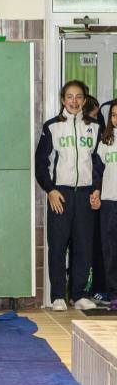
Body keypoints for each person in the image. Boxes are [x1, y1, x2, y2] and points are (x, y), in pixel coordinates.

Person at [35, 80, 100, 312]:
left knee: (84, 245)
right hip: (60, 194)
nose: (74, 101)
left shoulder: (94, 127)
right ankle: (57, 296)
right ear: (63, 100)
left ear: (84, 100)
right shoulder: (52, 126)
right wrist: (50, 189)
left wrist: (97, 189)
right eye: (70, 97)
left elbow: (97, 163)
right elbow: (40, 163)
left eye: (79, 97)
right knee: (58, 245)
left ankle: (79, 294)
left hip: (84, 195)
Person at [89, 103, 117, 311]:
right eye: (114, 115)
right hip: (109, 202)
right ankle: (114, 294)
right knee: (110, 251)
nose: (116, 119)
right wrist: (96, 191)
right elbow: (98, 169)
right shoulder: (106, 140)